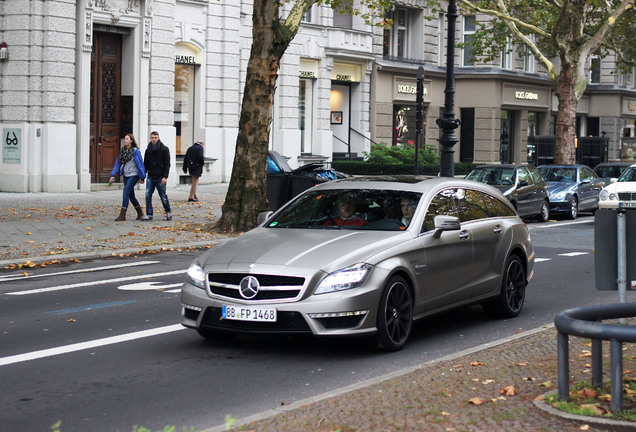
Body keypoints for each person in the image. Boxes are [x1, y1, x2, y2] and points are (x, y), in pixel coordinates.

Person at [109, 134, 146, 221]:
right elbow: (117, 164)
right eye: (124, 139)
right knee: (131, 196)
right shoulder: (122, 151)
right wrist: (113, 175)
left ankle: (122, 215)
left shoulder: (135, 151)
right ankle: (140, 213)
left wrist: (142, 176)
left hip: (134, 175)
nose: (125, 140)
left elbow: (141, 164)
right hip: (125, 175)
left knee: (125, 192)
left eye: (127, 139)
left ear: (131, 141)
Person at [142, 131, 172, 221]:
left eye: (155, 137)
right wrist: (142, 176)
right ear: (150, 138)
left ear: (158, 138)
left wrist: (165, 177)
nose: (154, 139)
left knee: (163, 196)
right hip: (150, 176)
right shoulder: (148, 150)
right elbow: (145, 164)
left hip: (160, 177)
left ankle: (168, 212)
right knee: (147, 195)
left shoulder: (164, 149)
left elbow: (167, 164)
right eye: (152, 138)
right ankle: (149, 214)